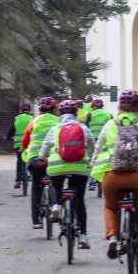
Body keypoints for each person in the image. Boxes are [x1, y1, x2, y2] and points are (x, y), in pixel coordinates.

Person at [89, 90, 138, 259]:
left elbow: (98, 148)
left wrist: (92, 162)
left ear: (119, 106)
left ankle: (113, 236)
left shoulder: (110, 124)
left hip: (113, 177)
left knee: (111, 206)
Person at [36, 99, 95, 248]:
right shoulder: (83, 128)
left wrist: (41, 158)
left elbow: (45, 147)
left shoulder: (55, 128)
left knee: (56, 185)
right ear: (76, 113)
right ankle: (82, 236)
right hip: (80, 167)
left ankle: (55, 206)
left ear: (60, 113)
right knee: (80, 200)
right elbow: (92, 146)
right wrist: (93, 158)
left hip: (57, 166)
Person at [20, 97, 59, 229]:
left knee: (36, 187)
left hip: (35, 159)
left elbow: (25, 142)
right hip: (53, 159)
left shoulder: (33, 122)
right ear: (53, 109)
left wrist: (23, 149)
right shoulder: (58, 122)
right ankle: (55, 206)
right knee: (54, 182)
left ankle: (36, 221)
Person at [6, 101, 34, 192]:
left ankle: (17, 181)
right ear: (29, 110)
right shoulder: (32, 118)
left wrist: (8, 137)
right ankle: (31, 175)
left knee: (19, 162)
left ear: (21, 110)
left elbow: (12, 129)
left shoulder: (16, 118)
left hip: (18, 144)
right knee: (30, 159)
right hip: (29, 144)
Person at [86, 97, 113, 191]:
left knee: (92, 160)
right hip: (105, 140)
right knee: (106, 158)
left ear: (93, 107)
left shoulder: (90, 114)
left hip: (93, 140)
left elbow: (86, 126)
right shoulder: (108, 115)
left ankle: (91, 183)